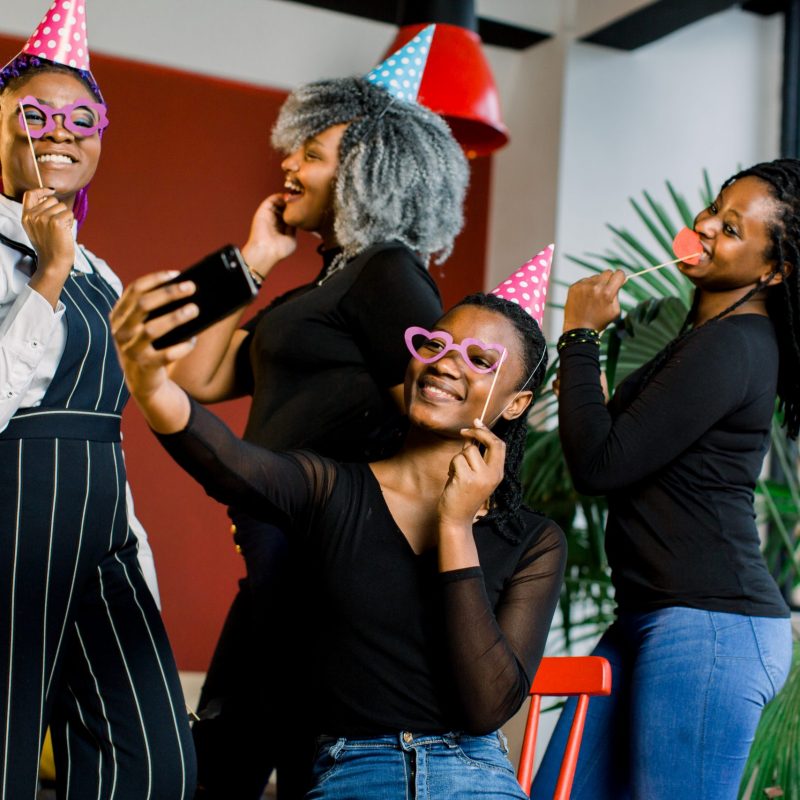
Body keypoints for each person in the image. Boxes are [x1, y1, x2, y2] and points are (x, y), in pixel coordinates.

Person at [110, 270, 567, 799]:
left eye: (479, 359)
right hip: (354, 772)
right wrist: (150, 383)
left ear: (515, 403)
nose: (444, 360)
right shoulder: (332, 489)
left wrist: (455, 524)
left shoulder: (532, 539)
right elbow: (229, 463)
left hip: (474, 777)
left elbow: (486, 706)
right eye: (435, 343)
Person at [169, 70, 470, 797]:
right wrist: (254, 261)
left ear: (369, 170)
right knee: (227, 757)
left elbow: (433, 422)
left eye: (312, 153)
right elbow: (200, 377)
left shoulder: (389, 274)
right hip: (280, 565)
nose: (288, 166)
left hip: (323, 575)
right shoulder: (323, 287)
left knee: (264, 761)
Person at [533, 159, 800, 799]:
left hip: (711, 627)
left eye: (731, 229)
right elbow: (606, 445)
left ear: (774, 270)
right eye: (714, 209)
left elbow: (599, 465)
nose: (704, 226)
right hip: (654, 615)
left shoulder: (733, 345)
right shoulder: (704, 339)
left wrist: (577, 335)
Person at [0, 7, 195, 798]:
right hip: (11, 531)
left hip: (100, 539)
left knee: (153, 763)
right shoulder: (47, 264)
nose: (62, 132)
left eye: (83, 119)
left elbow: (110, 435)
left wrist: (133, 551)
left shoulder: (103, 274)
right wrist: (44, 274)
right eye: (36, 115)